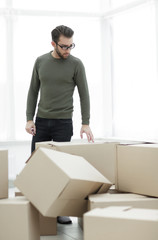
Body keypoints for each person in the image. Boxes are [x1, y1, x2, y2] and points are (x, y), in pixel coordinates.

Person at [25, 25, 94, 224]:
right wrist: (29, 118)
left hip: (64, 122)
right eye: (64, 47)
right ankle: (36, 208)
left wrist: (85, 122)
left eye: (71, 46)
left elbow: (84, 94)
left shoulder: (76, 64)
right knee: (36, 164)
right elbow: (32, 91)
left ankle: (59, 210)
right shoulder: (40, 61)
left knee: (62, 169)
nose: (68, 50)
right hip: (41, 121)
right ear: (53, 44)